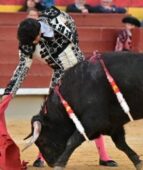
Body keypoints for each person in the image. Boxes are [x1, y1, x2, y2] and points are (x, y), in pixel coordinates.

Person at [1, 6, 117, 168]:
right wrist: (9, 94)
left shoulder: (53, 15)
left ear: (38, 32)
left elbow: (71, 21)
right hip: (60, 75)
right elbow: (21, 70)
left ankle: (104, 156)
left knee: (92, 113)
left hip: (82, 71)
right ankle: (41, 157)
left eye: (34, 40)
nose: (33, 44)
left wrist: (75, 45)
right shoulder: (27, 44)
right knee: (51, 117)